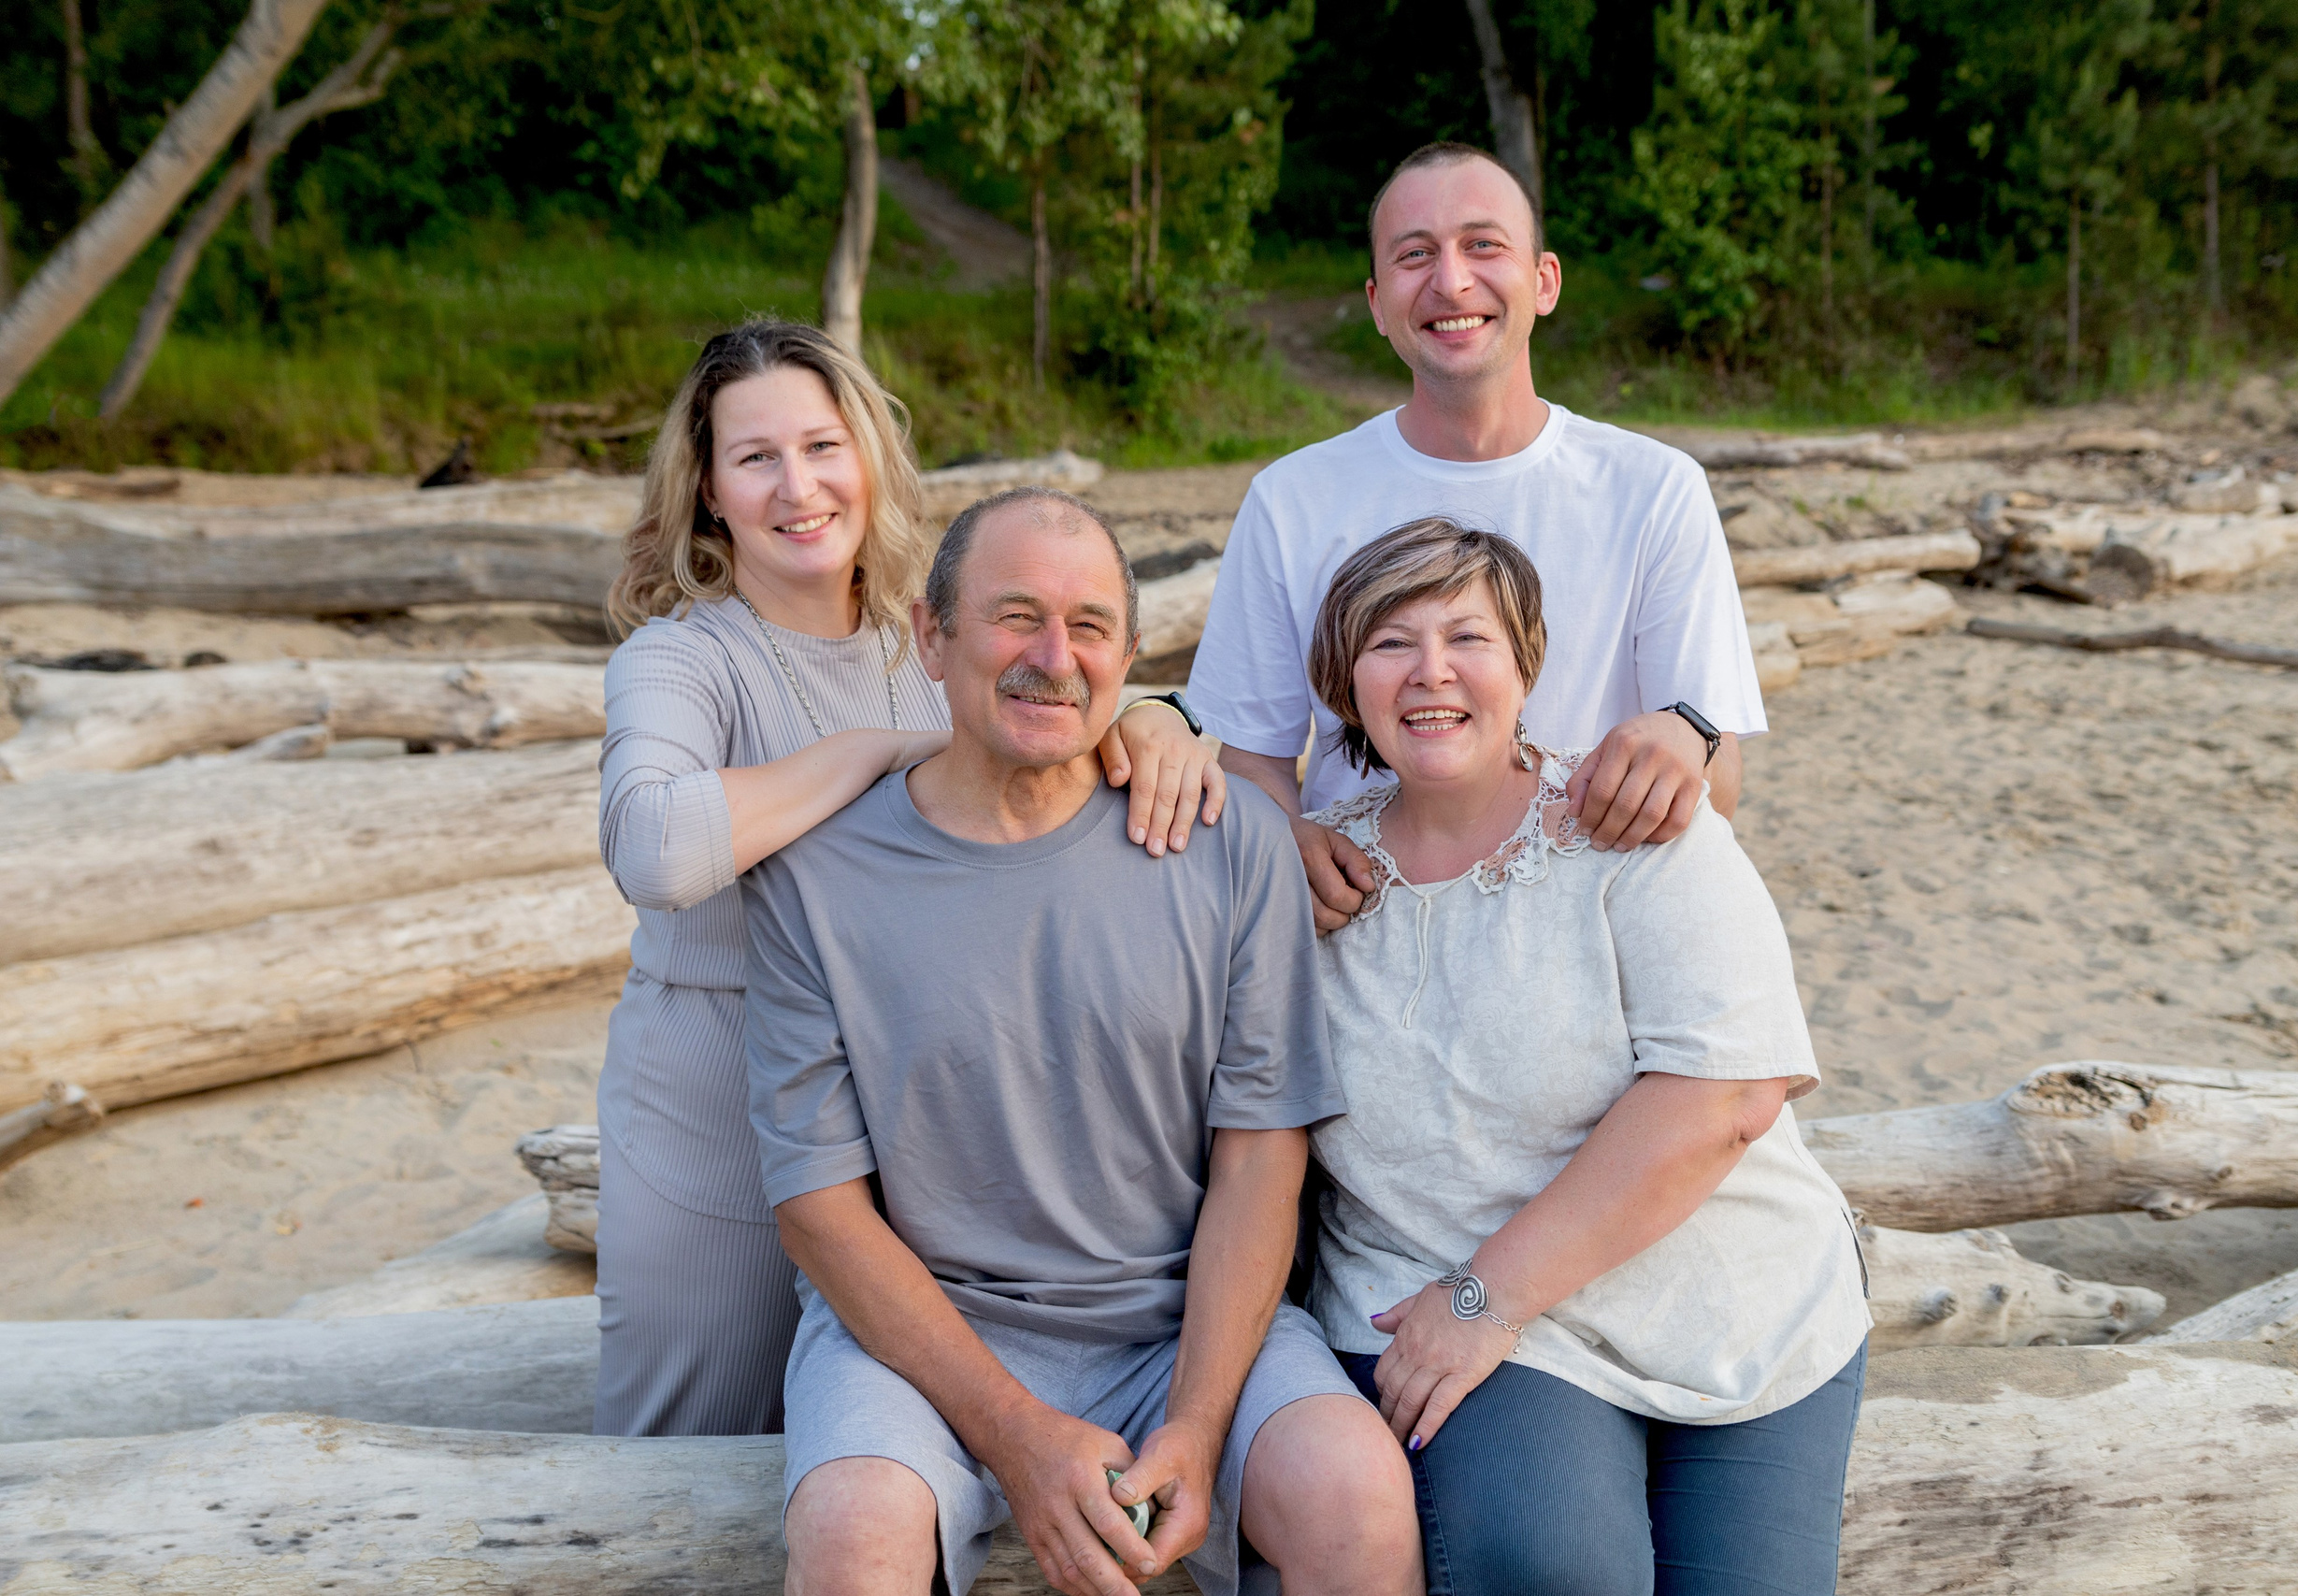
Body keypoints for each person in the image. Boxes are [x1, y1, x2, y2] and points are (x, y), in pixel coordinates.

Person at [741, 486, 1421, 1596]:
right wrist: (1014, 1434)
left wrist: (1198, 1427)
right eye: (1015, 616)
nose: (1053, 658)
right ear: (931, 634)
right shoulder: (815, 876)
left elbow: (1259, 1157)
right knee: (854, 1535)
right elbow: (818, 1209)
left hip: (1177, 1330)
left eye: (1089, 627)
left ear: (1132, 654)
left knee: (1356, 1495)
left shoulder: (1229, 840)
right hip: (917, 1340)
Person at [596, 322, 1223, 1438]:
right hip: (722, 1119)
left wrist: (1156, 717)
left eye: (824, 446)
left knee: (875, 1441)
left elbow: (1050, 716)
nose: (799, 486)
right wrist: (870, 754)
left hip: (910, 1121)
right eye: (756, 458)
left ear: (869, 459)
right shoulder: (679, 658)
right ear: (706, 492)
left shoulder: (917, 643)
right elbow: (652, 850)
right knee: (694, 1467)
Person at [1299, 519, 1871, 1596]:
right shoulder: (1309, 873)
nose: (1431, 673)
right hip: (1444, 1300)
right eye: (1388, 642)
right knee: (1548, 1567)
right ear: (1343, 681)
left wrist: (1487, 1298)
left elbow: (1727, 1099)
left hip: (1723, 1298)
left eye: (1467, 637)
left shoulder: (1634, 827)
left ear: (1525, 665)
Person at [1188, 141, 1765, 932]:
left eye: (1483, 244)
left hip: (1596, 926)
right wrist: (1282, 840)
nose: (1451, 280)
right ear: (1377, 302)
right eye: (1414, 254)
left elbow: (1718, 772)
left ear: (1544, 280)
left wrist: (1683, 747)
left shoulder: (1655, 489)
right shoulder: (1291, 498)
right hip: (1369, 928)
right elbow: (1249, 753)